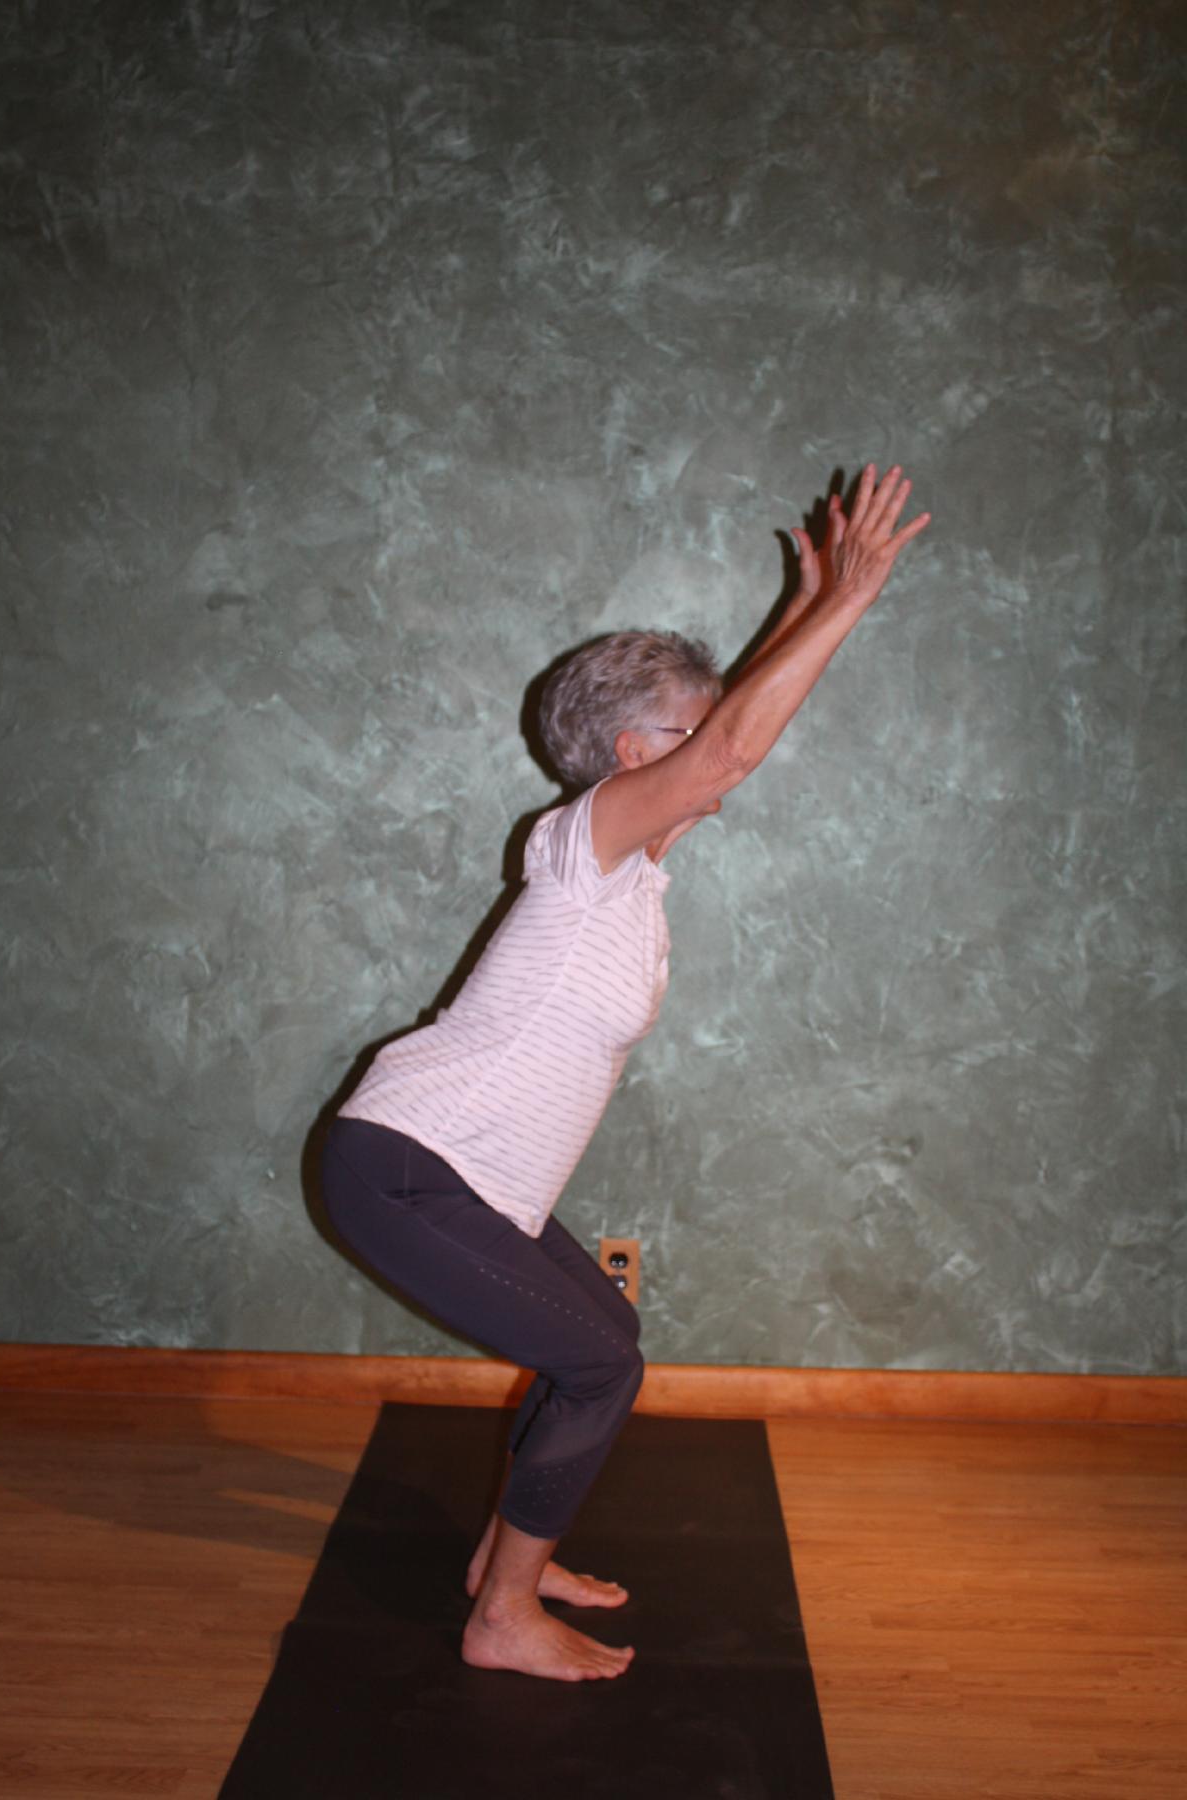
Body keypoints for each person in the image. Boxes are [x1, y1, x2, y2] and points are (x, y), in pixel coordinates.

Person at [320, 463, 930, 1683]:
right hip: (402, 1167)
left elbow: (727, 737)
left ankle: (507, 1558)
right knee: (600, 1366)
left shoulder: (633, 870)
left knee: (605, 1332)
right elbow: (729, 751)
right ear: (624, 752)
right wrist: (850, 598)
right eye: (685, 737)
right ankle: (501, 1619)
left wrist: (804, 609)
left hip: (460, 1175)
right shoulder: (583, 837)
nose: (716, 754)